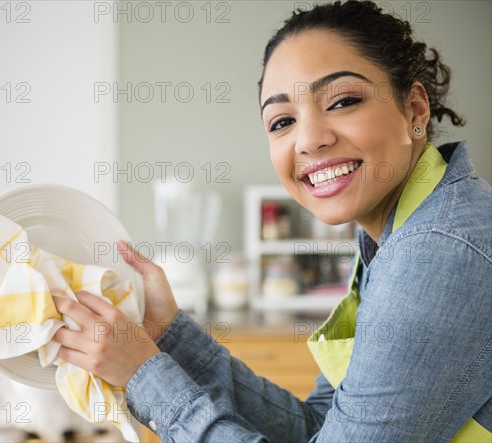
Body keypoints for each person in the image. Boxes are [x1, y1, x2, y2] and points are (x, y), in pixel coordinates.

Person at [52, 1, 492, 441]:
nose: (311, 140)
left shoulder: (438, 250)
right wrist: (169, 335)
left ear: (414, 110)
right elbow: (316, 428)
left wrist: (145, 376)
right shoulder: (395, 239)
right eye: (282, 121)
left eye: (342, 101)